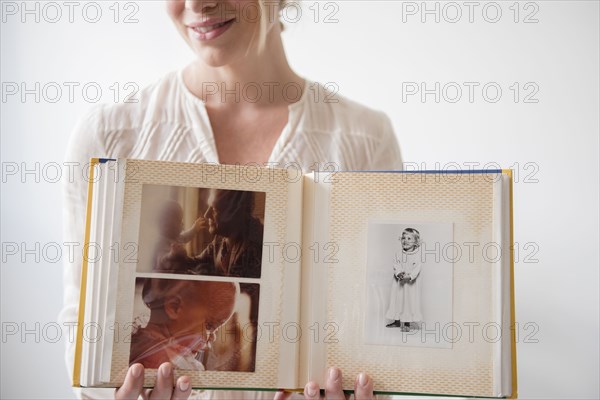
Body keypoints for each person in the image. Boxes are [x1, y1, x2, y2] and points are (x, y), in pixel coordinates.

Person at [61, 0, 403, 398]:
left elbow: (380, 333)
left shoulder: (365, 141)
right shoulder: (112, 136)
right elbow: (83, 329)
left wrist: (369, 388)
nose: (196, 5)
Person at [130, 279, 239, 370]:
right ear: (174, 307)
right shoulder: (166, 362)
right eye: (209, 325)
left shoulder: (136, 341)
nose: (212, 338)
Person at [191, 189, 263, 278]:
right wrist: (181, 257)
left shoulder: (253, 247)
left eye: (214, 209)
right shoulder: (222, 236)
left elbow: (239, 289)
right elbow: (199, 261)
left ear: (235, 212)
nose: (206, 215)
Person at [385, 228, 423, 332]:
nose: (405, 240)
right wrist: (399, 273)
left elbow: (417, 268)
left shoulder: (417, 255)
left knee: (408, 302)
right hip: (398, 284)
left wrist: (410, 276)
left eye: (409, 238)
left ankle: (407, 323)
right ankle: (397, 321)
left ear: (416, 242)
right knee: (397, 301)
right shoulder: (398, 253)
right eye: (403, 238)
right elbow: (396, 264)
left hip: (410, 285)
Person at [153, 200, 205, 273]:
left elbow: (186, 236)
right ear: (168, 225)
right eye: (180, 221)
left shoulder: (175, 237)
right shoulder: (160, 242)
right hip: (165, 276)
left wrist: (194, 229)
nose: (182, 224)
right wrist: (171, 255)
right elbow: (161, 260)